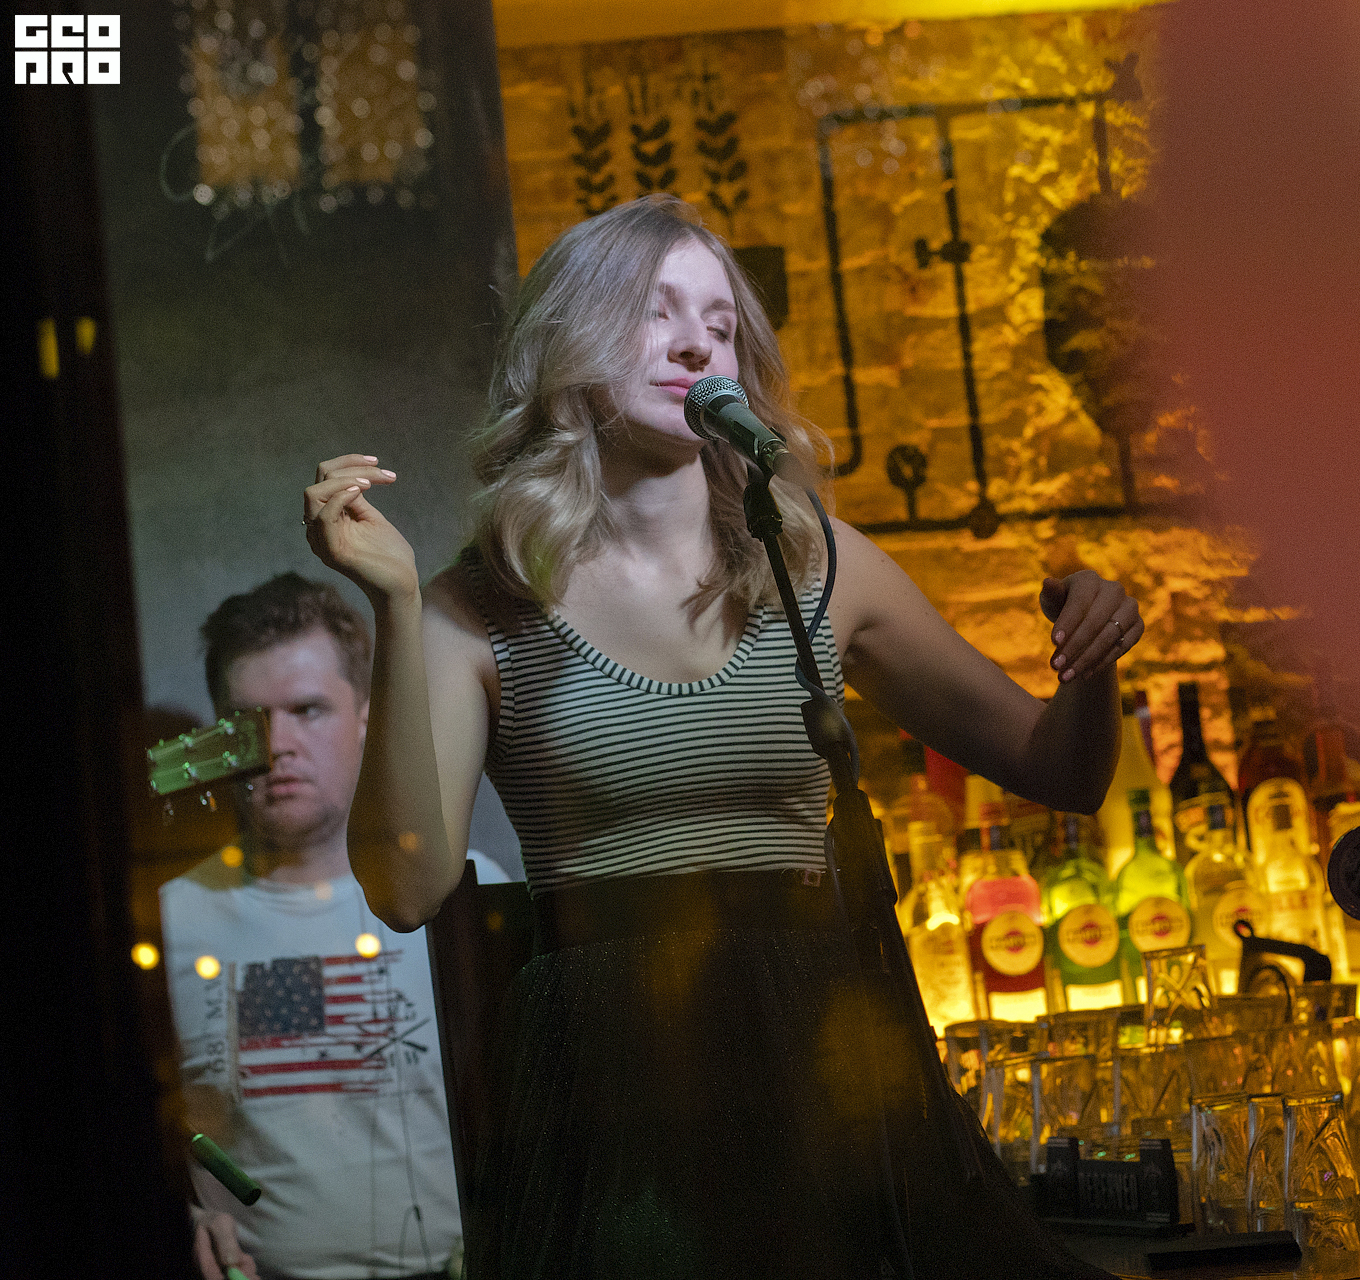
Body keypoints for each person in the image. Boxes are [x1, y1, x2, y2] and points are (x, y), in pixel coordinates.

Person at [302, 193, 1143, 1279]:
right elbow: (406, 888)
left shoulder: (817, 565)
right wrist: (395, 606)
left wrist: (1094, 655)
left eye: (722, 322)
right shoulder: (481, 605)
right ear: (567, 347)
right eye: (655, 311)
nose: (699, 342)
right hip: (614, 1072)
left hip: (827, 1049)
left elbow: (1060, 771)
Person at [162, 574, 510, 1280]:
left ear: (366, 719)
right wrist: (179, 1214)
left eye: (308, 709)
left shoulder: (464, 898)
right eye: (248, 718)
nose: (277, 744)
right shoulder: (170, 919)